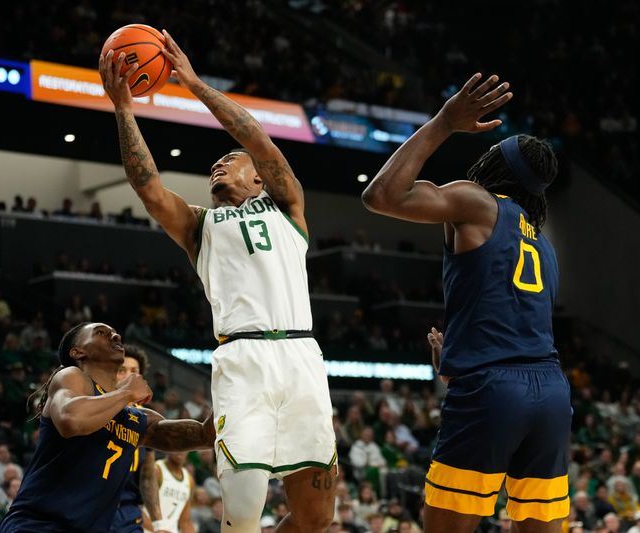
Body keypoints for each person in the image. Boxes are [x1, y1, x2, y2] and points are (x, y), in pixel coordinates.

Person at [100, 31, 337, 533]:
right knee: (246, 505)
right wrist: (123, 108)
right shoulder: (198, 225)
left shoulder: (288, 205)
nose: (219, 163)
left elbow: (257, 138)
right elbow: (148, 186)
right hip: (242, 357)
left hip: (302, 357)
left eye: (230, 160)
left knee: (317, 516)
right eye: (215, 163)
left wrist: (194, 85)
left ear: (259, 180)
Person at [362, 73, 568, 532]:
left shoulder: (478, 202)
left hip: (493, 390)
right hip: (551, 392)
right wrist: (457, 356)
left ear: (497, 166)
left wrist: (444, 122)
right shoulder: (544, 245)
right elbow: (512, 325)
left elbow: (381, 195)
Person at [0, 322, 215, 533]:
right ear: (78, 352)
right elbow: (71, 420)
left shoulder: (137, 419)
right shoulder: (71, 377)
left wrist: (234, 387)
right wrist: (126, 392)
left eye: (116, 333)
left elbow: (205, 435)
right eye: (101, 332)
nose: (115, 336)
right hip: (39, 524)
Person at [109, 345, 164, 533]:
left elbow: (147, 477)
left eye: (134, 371)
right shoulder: (96, 406)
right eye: (122, 370)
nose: (129, 376)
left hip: (129, 511)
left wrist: (158, 523)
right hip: (94, 508)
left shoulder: (145, 419)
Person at [155, 452, 195, 533]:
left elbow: (185, 521)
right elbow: (140, 511)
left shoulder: (189, 480)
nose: (181, 451)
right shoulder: (156, 470)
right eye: (178, 445)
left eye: (184, 447)